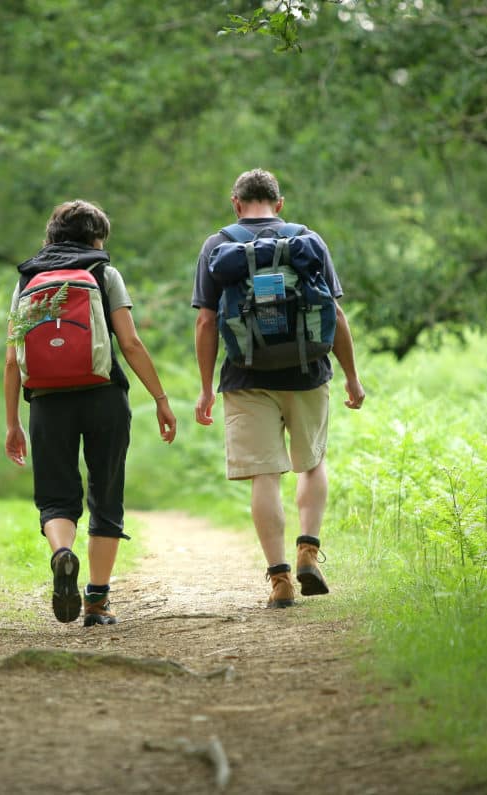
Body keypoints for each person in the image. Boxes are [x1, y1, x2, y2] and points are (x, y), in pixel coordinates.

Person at [192, 169, 365, 608]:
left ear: (235, 202)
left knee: (265, 476)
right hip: (307, 372)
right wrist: (351, 376)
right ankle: (308, 550)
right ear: (279, 203)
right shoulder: (307, 240)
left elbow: (207, 321)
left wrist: (206, 387)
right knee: (312, 462)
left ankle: (280, 580)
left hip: (246, 377)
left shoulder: (218, 246)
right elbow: (335, 314)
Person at [4, 200, 177, 627]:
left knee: (56, 495)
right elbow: (131, 343)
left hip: (46, 400)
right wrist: (160, 398)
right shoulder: (104, 273)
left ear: (52, 234)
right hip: (104, 396)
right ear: (97, 238)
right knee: (106, 492)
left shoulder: (29, 278)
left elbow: (12, 359)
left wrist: (12, 422)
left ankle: (62, 553)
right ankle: (96, 602)